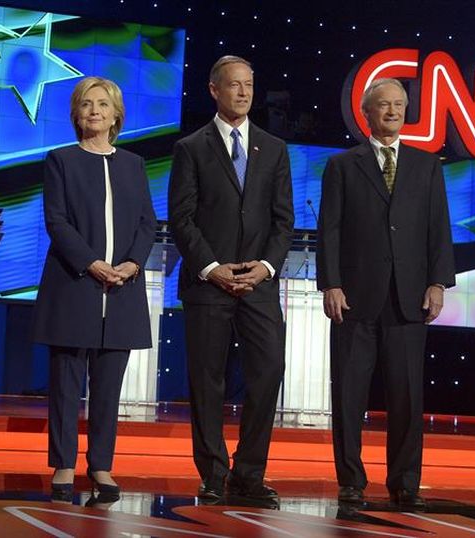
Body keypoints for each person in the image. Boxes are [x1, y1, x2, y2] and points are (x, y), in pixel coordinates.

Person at [317, 78, 455, 509]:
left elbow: (438, 229)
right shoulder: (343, 165)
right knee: (349, 395)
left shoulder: (427, 165)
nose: (392, 112)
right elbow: (330, 230)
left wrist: (438, 282)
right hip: (355, 296)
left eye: (399, 105)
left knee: (408, 395)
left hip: (410, 297)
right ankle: (351, 482)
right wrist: (331, 283)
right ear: (367, 113)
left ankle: (405, 483)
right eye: (384, 106)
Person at [168, 55, 294, 502]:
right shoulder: (191, 147)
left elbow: (284, 221)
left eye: (249, 85)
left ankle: (249, 475)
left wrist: (264, 267)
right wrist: (211, 267)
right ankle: (214, 475)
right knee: (207, 380)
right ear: (214, 90)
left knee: (268, 373)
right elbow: (181, 218)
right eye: (234, 85)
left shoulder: (274, 149)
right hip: (208, 284)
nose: (243, 93)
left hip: (259, 285)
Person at [33, 77, 157, 502]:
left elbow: (146, 221)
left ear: (116, 114)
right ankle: (64, 465)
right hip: (74, 285)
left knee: (108, 387)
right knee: (66, 384)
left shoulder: (133, 164)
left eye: (103, 104)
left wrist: (132, 264)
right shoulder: (61, 160)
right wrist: (93, 263)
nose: (94, 111)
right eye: (86, 105)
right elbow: (57, 221)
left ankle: (101, 466)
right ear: (76, 113)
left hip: (122, 289)